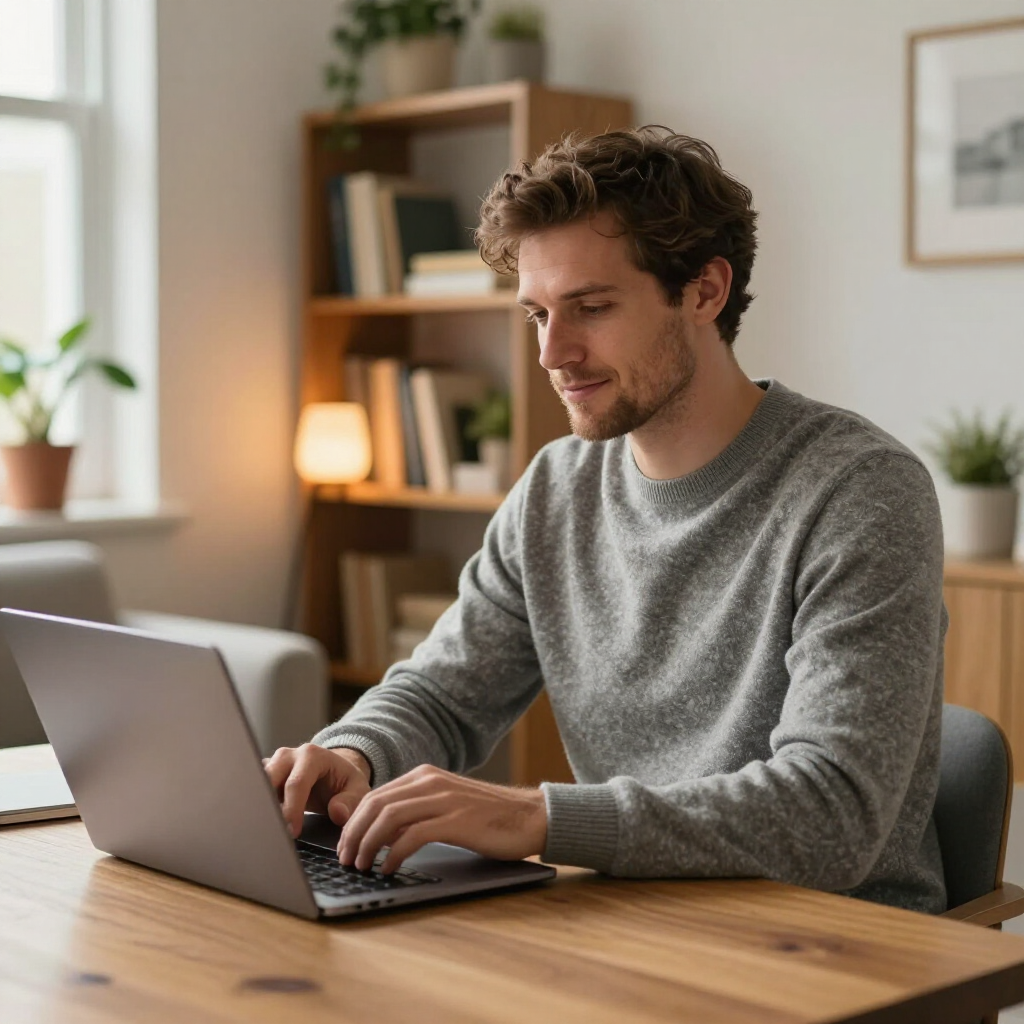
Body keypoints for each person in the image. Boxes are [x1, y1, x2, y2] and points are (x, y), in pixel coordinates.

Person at [265, 126, 947, 913]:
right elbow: (444, 694)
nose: (553, 353)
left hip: (842, 946)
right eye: (537, 315)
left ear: (704, 291)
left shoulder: (860, 491)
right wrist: (353, 752)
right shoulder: (558, 487)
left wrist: (537, 817)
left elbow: (834, 815)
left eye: (590, 308)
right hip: (639, 919)